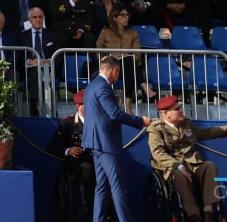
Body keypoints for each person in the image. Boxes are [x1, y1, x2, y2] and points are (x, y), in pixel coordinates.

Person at [85, 53, 153, 222]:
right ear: (115, 71)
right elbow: (114, 114)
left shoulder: (92, 85)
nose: (118, 76)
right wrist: (141, 121)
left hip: (96, 143)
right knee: (118, 186)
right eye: (119, 72)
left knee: (102, 187)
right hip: (106, 143)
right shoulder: (103, 87)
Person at [148, 94, 227, 222]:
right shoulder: (156, 129)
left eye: (180, 107)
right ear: (166, 113)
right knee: (179, 175)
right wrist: (178, 165)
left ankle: (208, 212)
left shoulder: (186, 124)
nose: (181, 110)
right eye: (177, 109)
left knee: (210, 166)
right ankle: (194, 216)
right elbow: (158, 153)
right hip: (172, 168)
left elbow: (206, 133)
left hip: (192, 164)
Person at [49, 89, 96, 221]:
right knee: (87, 168)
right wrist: (68, 150)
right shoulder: (67, 123)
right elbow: (53, 146)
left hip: (98, 159)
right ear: (78, 105)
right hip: (77, 163)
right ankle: (91, 210)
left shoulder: (99, 121)